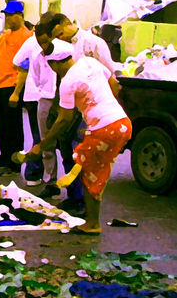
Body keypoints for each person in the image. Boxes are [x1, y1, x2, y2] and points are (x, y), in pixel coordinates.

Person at [27, 40, 131, 235]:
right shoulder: (89, 62)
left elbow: (63, 120)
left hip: (105, 128)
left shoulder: (67, 82)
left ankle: (92, 223)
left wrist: (41, 145)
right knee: (94, 165)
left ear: (53, 64)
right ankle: (90, 217)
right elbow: (114, 85)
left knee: (89, 173)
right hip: (122, 123)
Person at [35, 12, 117, 213]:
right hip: (69, 103)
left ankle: (83, 202)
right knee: (65, 148)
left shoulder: (94, 43)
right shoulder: (59, 48)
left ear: (68, 23)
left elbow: (111, 78)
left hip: (90, 111)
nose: (59, 38)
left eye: (60, 33)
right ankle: (73, 196)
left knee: (78, 153)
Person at [0, 0, 32, 175]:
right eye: (6, 15)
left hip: (13, 86)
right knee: (2, 124)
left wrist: (17, 92)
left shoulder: (26, 37)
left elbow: (24, 67)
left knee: (14, 126)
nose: (8, 18)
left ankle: (14, 162)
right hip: (0, 85)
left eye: (11, 15)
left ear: (20, 15)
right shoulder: (4, 35)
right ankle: (4, 156)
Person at [10, 31, 58, 194]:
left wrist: (28, 66)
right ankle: (40, 175)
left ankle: (35, 174)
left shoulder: (31, 42)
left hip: (34, 95)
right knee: (49, 138)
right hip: (52, 96)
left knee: (40, 137)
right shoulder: (59, 43)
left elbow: (15, 62)